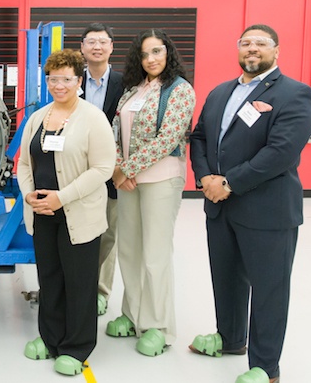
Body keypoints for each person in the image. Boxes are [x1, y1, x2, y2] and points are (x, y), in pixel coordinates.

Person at [188, 24, 311, 383]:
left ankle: (265, 366)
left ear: (277, 50)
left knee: (269, 289)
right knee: (226, 278)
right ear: (238, 49)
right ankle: (230, 339)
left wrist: (230, 182)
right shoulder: (220, 92)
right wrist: (205, 178)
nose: (253, 48)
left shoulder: (295, 93)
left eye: (261, 43)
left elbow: (281, 152)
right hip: (220, 206)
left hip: (267, 209)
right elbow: (198, 138)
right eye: (246, 42)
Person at [18, 49, 116, 376]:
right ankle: (50, 339)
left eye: (66, 79)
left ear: (79, 80)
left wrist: (62, 197)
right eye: (53, 78)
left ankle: (76, 347)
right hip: (42, 212)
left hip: (78, 214)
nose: (59, 85)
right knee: (50, 277)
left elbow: (103, 167)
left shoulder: (92, 118)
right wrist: (29, 193)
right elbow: (24, 163)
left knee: (79, 282)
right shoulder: (38, 117)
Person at [107, 29, 196, 357]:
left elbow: (168, 137)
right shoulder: (133, 88)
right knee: (129, 250)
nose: (151, 59)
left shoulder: (180, 90)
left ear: (168, 53)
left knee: (155, 254)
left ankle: (158, 326)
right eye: (145, 54)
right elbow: (114, 131)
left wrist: (125, 169)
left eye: (157, 51)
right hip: (128, 181)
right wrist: (119, 170)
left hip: (160, 179)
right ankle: (133, 314)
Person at [79, 23, 124, 316]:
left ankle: (100, 292)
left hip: (112, 169)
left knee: (108, 233)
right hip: (75, 169)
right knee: (76, 231)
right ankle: (76, 286)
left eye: (102, 41)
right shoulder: (70, 81)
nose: (97, 47)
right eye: (91, 41)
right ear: (82, 47)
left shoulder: (125, 82)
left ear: (111, 47)